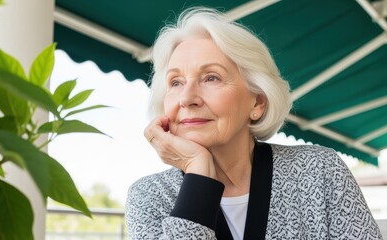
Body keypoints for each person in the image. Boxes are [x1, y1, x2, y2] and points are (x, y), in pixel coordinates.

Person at [125, 7, 383, 240]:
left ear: (257, 103)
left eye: (211, 78)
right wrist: (198, 173)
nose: (187, 98)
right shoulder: (149, 196)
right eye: (176, 82)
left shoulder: (319, 171)